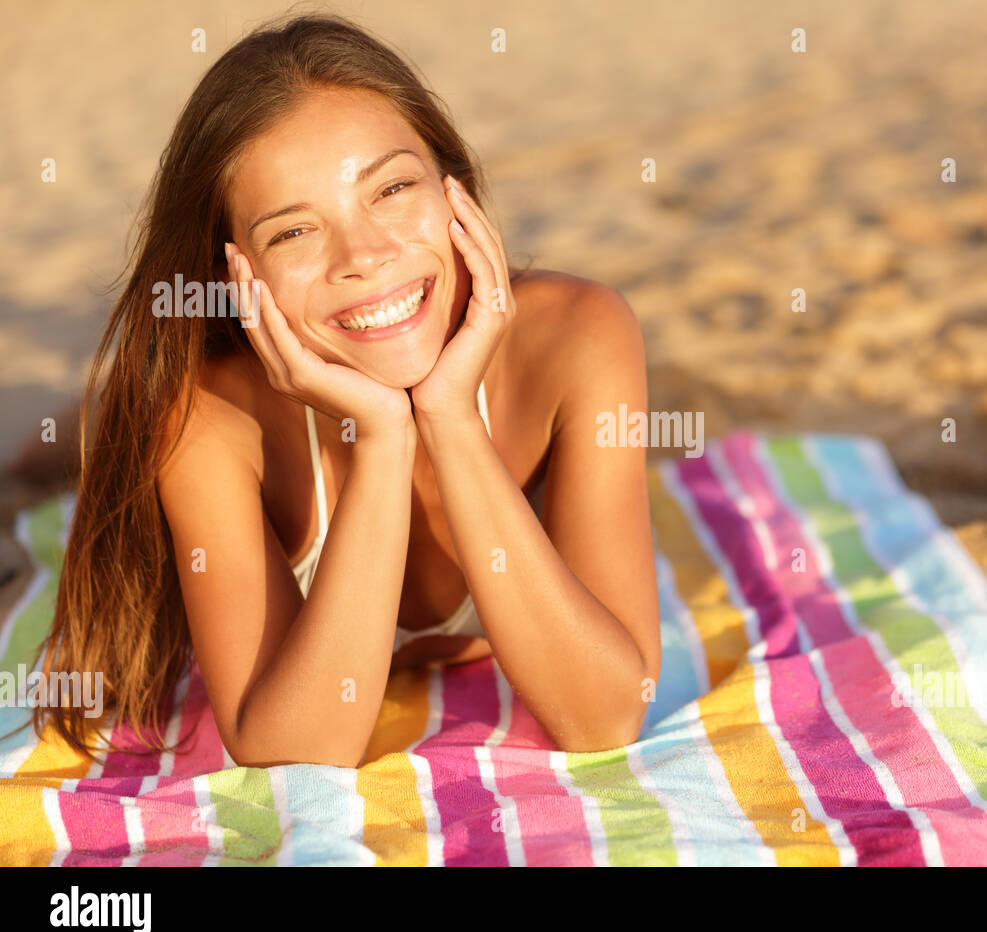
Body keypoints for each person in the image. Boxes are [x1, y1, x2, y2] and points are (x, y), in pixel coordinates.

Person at [28, 13, 661, 768]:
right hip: (209, 398)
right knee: (67, 449)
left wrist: (450, 414)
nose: (364, 255)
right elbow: (294, 749)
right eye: (293, 232)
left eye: (392, 187)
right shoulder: (206, 416)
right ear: (237, 275)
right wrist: (384, 437)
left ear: (454, 189)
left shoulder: (579, 338)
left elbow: (607, 717)